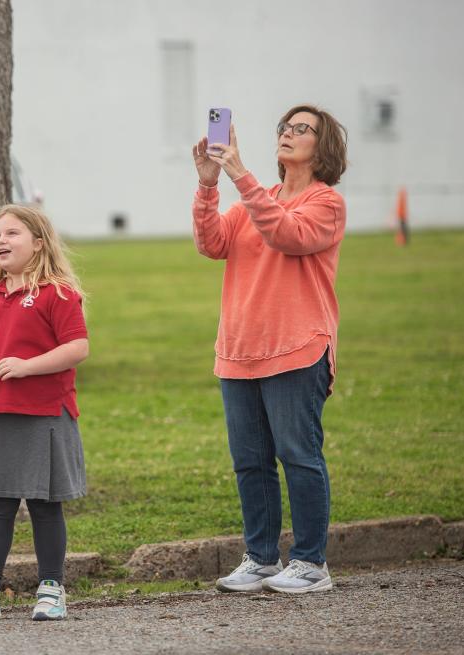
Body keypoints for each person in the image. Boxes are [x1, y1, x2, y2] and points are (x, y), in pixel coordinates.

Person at [191, 105, 348, 594]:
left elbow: (286, 234)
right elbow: (212, 243)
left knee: (298, 455)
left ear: (322, 149)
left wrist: (240, 174)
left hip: (298, 348)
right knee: (250, 461)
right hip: (239, 349)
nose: (288, 133)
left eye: (302, 129)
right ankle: (260, 558)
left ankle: (310, 563)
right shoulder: (253, 200)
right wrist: (208, 184)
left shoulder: (326, 204)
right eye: (285, 126)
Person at [0, 204, 89, 623]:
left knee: (45, 505)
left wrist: (27, 366)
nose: (1, 242)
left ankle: (51, 587)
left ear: (38, 242)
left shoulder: (58, 292)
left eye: (12, 234)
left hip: (46, 413)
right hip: (1, 414)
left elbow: (77, 348)